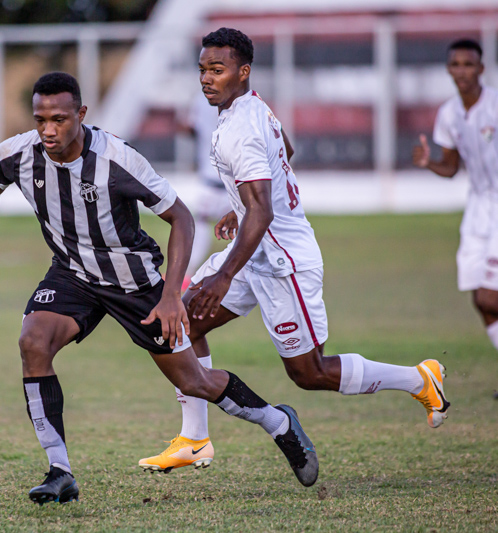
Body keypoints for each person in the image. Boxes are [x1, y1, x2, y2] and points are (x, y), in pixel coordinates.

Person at [0, 72, 320, 505]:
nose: (49, 130)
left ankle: (277, 421)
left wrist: (169, 297)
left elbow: (181, 218)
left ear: (81, 115)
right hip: (71, 274)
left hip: (135, 282)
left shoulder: (116, 159)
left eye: (59, 119)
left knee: (195, 380)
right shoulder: (16, 155)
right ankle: (60, 470)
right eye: (40, 120)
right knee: (32, 342)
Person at [139, 28, 450, 474]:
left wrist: (225, 270)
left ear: (243, 72)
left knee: (310, 373)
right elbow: (286, 149)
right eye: (203, 70)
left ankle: (420, 378)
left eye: (218, 70)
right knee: (180, 322)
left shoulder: (241, 128)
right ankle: (194, 438)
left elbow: (262, 213)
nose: (207, 79)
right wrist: (239, 207)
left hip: (284, 263)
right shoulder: (250, 107)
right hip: (256, 252)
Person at [412, 39, 498, 398]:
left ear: (481, 68)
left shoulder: (494, 105)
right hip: (478, 208)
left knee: (490, 295)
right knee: (480, 300)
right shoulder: (449, 113)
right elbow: (450, 167)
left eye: (469, 64)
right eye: (456, 64)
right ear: (449, 69)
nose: (462, 70)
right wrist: (427, 163)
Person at [181, 92, 232, 290]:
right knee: (246, 227)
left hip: (212, 179)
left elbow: (188, 126)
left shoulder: (201, 100)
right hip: (233, 181)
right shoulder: (238, 99)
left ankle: (189, 273)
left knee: (201, 222)